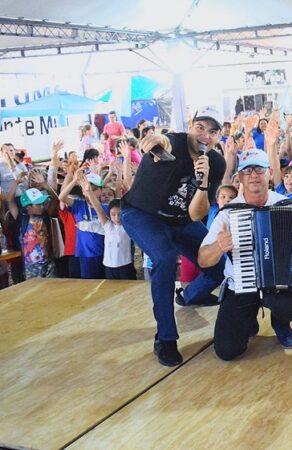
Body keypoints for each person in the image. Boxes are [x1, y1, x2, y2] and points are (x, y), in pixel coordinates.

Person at [120, 106, 227, 367]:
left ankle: (189, 297)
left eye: (212, 132)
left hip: (181, 221)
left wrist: (203, 181)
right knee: (166, 260)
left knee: (217, 263)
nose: (205, 135)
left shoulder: (216, 162)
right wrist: (155, 142)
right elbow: (161, 141)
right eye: (200, 127)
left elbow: (196, 214)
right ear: (190, 125)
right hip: (142, 215)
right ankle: (165, 338)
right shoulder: (173, 142)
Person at [198, 150, 292, 360]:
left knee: (289, 306)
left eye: (259, 169)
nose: (253, 175)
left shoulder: (289, 206)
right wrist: (219, 246)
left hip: (278, 286)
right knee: (227, 351)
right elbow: (203, 259)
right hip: (239, 284)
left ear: (270, 173)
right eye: (247, 170)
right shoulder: (228, 212)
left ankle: (280, 322)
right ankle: (248, 319)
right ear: (239, 177)